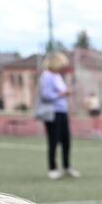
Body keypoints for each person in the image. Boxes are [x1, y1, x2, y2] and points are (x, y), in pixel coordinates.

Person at [38, 52, 79, 180]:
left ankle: (67, 167)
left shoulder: (57, 76)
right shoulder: (47, 76)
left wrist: (65, 93)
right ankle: (52, 168)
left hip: (62, 112)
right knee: (53, 141)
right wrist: (62, 94)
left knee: (66, 140)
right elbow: (46, 95)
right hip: (52, 113)